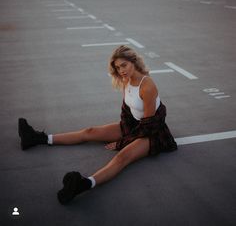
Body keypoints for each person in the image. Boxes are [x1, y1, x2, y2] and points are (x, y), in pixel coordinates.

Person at [18, 45, 177, 205]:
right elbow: (126, 112)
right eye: (117, 67)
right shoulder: (125, 80)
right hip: (133, 125)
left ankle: (84, 184)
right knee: (90, 131)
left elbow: (149, 126)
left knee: (122, 157)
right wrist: (124, 132)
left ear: (133, 62)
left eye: (124, 65)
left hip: (151, 133)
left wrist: (122, 142)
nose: (121, 70)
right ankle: (38, 138)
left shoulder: (147, 86)